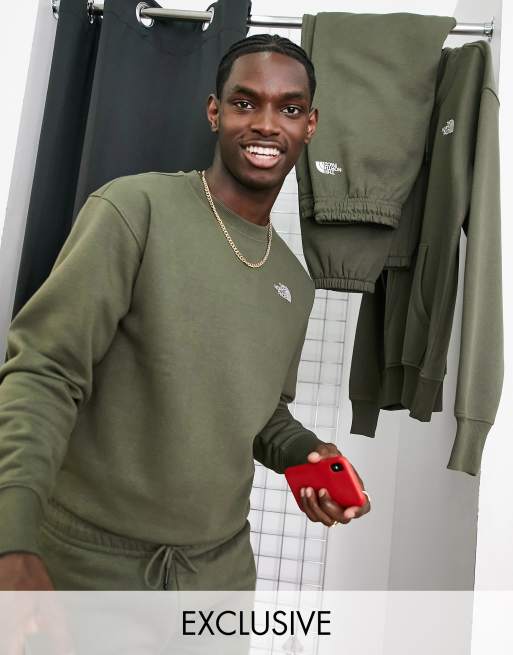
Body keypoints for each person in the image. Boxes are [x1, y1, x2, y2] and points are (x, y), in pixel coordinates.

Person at [0, 34, 370, 591]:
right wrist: (12, 538)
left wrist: (307, 453)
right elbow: (44, 371)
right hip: (88, 564)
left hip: (218, 574)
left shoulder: (294, 280)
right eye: (245, 103)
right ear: (215, 112)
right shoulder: (134, 209)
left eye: (289, 109)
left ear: (310, 125)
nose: (267, 124)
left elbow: (263, 414)